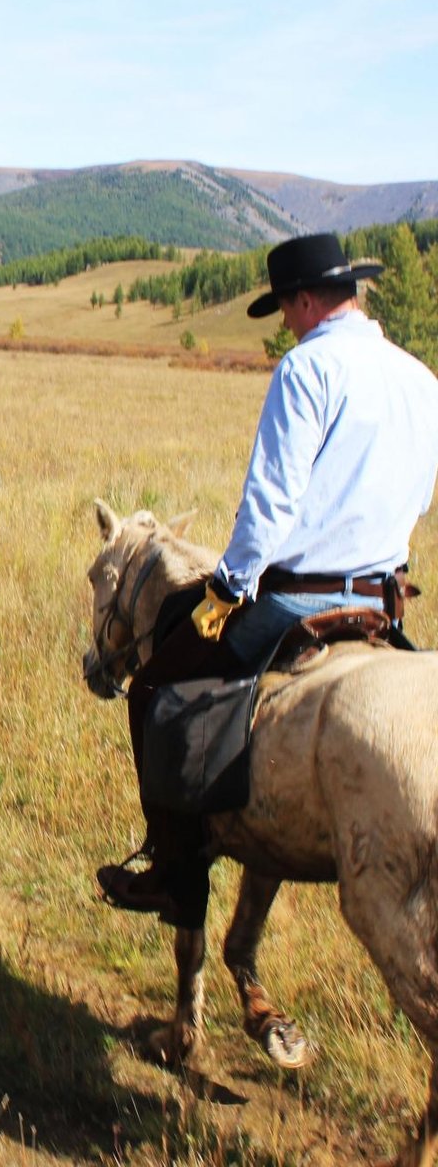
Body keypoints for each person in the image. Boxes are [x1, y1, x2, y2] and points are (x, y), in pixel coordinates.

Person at [97, 232, 438, 926]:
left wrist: (227, 585)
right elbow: (420, 495)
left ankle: (171, 868)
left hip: (296, 596)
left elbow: (272, 501)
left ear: (307, 300)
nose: (285, 322)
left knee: (160, 685)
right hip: (380, 602)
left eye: (285, 307)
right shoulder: (419, 376)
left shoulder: (306, 369)